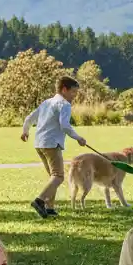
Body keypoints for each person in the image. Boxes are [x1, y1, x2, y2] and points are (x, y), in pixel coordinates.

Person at [20, 75, 88, 219]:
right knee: (58, 176)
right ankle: (39, 201)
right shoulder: (64, 104)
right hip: (51, 143)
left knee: (53, 176)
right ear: (64, 89)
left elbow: (29, 118)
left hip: (39, 143)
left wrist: (25, 131)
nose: (74, 96)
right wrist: (78, 138)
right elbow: (65, 125)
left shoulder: (47, 102)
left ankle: (50, 208)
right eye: (73, 92)